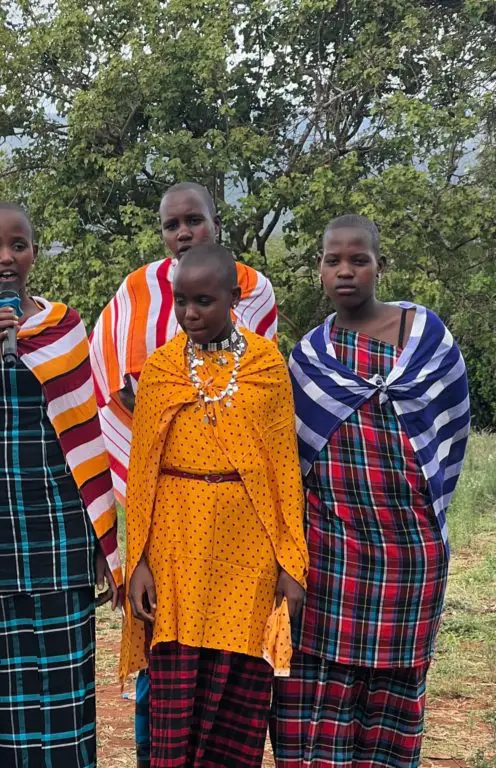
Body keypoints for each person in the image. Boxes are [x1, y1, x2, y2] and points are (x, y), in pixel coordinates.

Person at [0, 202, 122, 768]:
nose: (6, 257)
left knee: (66, 687)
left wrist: (103, 545)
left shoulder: (63, 326)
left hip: (58, 527)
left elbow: (86, 439)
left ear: (34, 252)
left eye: (18, 245)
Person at [89, 182, 280, 764]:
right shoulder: (137, 289)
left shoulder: (250, 285)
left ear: (215, 223)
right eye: (172, 225)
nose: (182, 233)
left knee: (228, 660)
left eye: (194, 221)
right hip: (165, 500)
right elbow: (107, 359)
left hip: (234, 514)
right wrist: (136, 395)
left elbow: (247, 394)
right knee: (163, 654)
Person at [273, 215, 471, 767]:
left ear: (380, 265)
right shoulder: (309, 361)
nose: (344, 271)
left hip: (411, 557)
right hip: (330, 558)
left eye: (358, 260)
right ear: (318, 269)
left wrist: (428, 511)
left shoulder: (429, 342)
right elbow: (292, 464)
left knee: (391, 713)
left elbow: (451, 437)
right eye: (333, 260)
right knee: (314, 711)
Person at [120, 243, 308, 768]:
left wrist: (291, 564)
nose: (189, 313)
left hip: (246, 552)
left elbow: (283, 469)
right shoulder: (160, 369)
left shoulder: (267, 365)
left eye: (203, 300)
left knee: (238, 693)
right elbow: (142, 474)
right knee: (175, 699)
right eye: (181, 301)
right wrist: (137, 562)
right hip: (175, 548)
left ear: (235, 296)